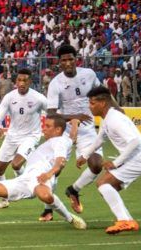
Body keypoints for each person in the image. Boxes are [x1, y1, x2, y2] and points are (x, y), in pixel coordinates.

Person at [77, 86, 141, 234]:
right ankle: (127, 220)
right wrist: (84, 156)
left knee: (103, 184)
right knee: (106, 187)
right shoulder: (108, 118)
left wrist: (116, 162)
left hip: (139, 159)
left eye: (92, 103)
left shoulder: (115, 119)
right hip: (135, 158)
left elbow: (134, 141)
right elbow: (100, 139)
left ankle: (125, 220)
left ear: (103, 103)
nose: (89, 106)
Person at [42, 44, 103, 220]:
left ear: (76, 59)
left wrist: (115, 109)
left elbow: (102, 93)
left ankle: (74, 190)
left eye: (71, 59)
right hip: (64, 130)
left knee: (97, 165)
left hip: (87, 130)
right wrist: (74, 116)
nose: (68, 63)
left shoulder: (89, 74)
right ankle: (48, 208)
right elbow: (51, 113)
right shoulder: (55, 83)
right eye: (64, 60)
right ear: (59, 63)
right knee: (55, 169)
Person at [0, 68, 47, 209]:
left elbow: (53, 111)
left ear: (30, 82)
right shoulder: (10, 97)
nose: (22, 83)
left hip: (31, 136)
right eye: (19, 80)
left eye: (25, 80)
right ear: (15, 82)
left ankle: (28, 186)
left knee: (16, 164)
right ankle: (4, 199)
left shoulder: (38, 98)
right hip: (12, 136)